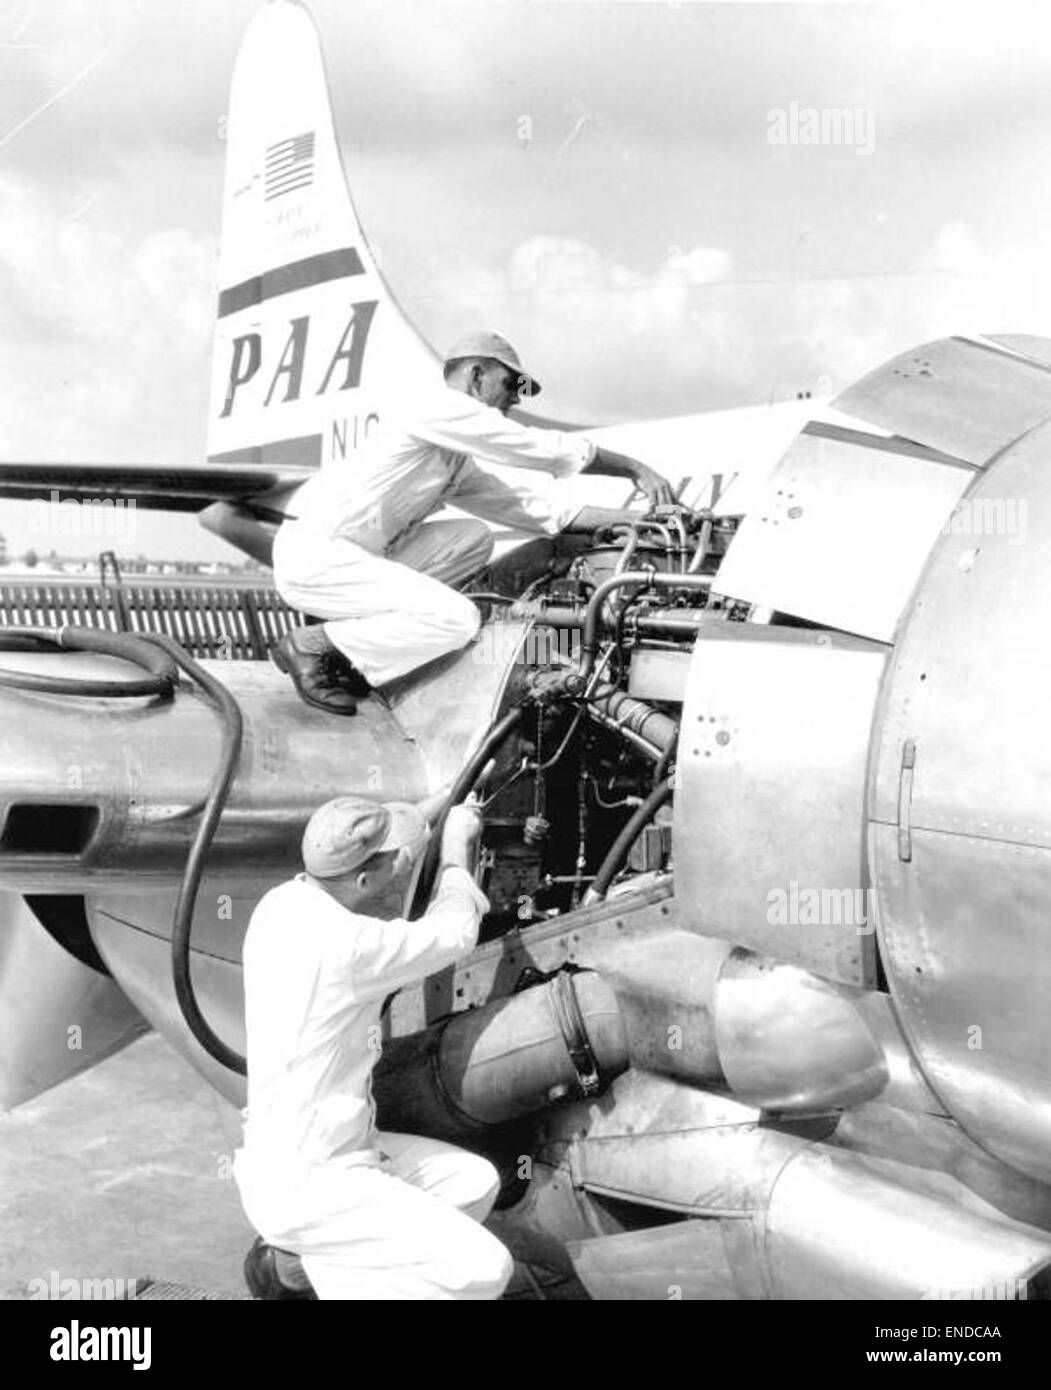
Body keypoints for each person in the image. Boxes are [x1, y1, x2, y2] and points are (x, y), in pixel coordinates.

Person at [271, 330, 673, 713]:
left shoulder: (453, 461)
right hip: (317, 556)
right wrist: (632, 467)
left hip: (356, 556)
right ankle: (313, 644)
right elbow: (538, 449)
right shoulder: (436, 407)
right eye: (512, 383)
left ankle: (357, 650)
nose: (516, 398)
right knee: (456, 618)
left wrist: (635, 521)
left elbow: (531, 508)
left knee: (474, 537)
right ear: (476, 375)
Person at [233, 793, 513, 1301]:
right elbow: (454, 932)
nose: (401, 868)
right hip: (312, 1183)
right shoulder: (349, 947)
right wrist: (456, 850)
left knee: (472, 1183)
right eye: (393, 864)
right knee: (486, 1269)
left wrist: (433, 809)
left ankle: (298, 1271)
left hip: (315, 1155)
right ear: (363, 880)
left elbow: (368, 845)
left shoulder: (279, 904)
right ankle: (306, 1264)